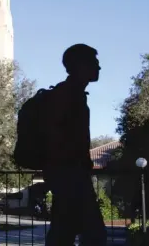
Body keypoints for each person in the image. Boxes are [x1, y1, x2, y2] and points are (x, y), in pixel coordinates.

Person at [42, 44, 107, 246]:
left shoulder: (72, 94)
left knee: (64, 232)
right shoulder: (67, 95)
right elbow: (56, 134)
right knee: (92, 233)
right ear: (80, 65)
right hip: (69, 174)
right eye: (95, 63)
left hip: (67, 174)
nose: (99, 67)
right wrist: (73, 165)